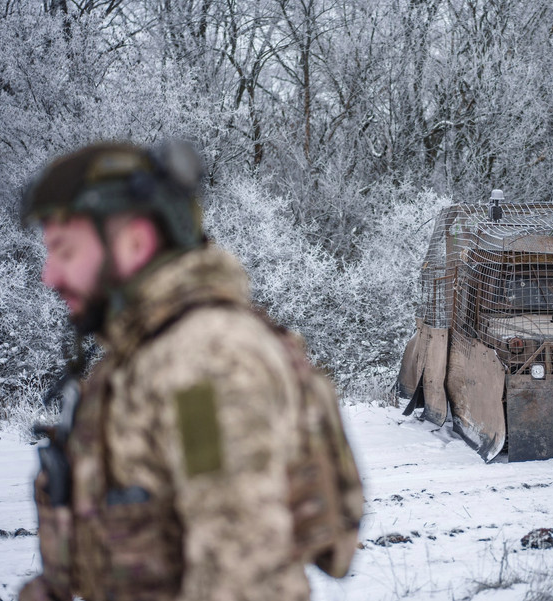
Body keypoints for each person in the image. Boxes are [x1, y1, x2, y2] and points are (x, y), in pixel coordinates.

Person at [18, 141, 362, 601]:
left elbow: (244, 582)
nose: (49, 275)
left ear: (134, 242)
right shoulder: (143, 356)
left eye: (64, 250)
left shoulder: (204, 362)